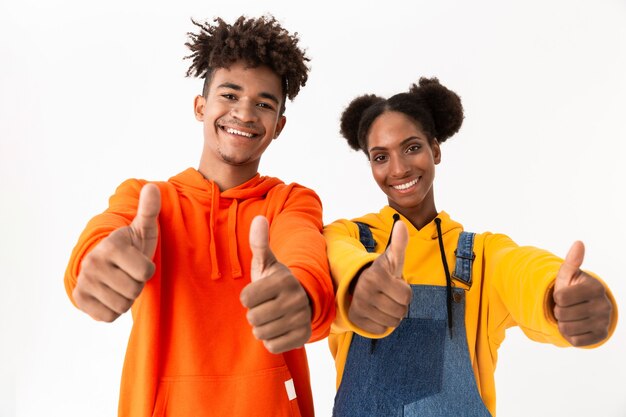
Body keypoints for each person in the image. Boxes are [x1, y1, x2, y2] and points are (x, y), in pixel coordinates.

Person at [64, 15, 335, 417]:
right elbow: (103, 238)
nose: (244, 113)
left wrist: (301, 296)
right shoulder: (146, 199)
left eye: (263, 103)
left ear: (278, 125)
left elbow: (304, 253)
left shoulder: (291, 201)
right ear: (200, 106)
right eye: (230, 95)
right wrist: (94, 263)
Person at [323, 77, 618, 417]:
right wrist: (359, 284)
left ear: (435, 149)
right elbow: (335, 261)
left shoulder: (480, 256)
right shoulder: (346, 237)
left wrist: (558, 296)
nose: (399, 168)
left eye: (412, 148)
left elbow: (522, 269)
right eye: (380, 157)